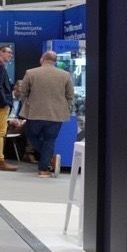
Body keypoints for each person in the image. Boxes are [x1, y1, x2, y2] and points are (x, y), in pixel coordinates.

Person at [17, 50, 75, 178]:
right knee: (50, 140)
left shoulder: (30, 73)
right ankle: (43, 170)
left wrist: (27, 103)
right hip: (56, 115)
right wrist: (65, 107)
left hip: (35, 113)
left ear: (42, 59)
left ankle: (49, 159)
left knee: (31, 136)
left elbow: (23, 92)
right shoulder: (65, 75)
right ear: (55, 61)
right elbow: (70, 95)